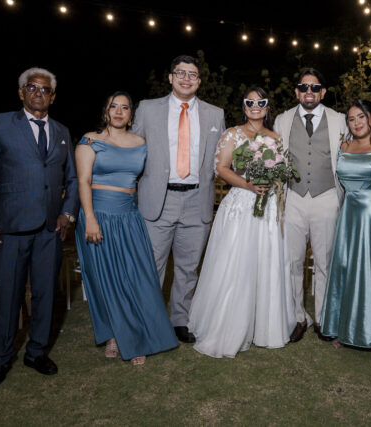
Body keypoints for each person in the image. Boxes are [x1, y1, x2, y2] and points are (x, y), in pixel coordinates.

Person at [0, 67, 79, 388]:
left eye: (45, 89)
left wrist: (67, 214)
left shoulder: (62, 131)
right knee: (8, 294)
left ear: (53, 96)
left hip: (50, 230)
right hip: (10, 228)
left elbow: (73, 179)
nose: (38, 93)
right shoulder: (0, 124)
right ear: (21, 93)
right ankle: (0, 359)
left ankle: (36, 352)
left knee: (46, 294)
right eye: (31, 87)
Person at [188, 87, 295, 357]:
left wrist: (274, 181)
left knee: (266, 261)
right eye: (250, 102)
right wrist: (248, 184)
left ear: (267, 107)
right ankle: (230, 324)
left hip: (269, 207)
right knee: (237, 263)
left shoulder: (276, 137)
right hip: (241, 204)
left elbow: (281, 170)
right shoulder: (232, 134)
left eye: (261, 102)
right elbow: (221, 168)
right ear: (244, 106)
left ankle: (264, 326)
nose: (255, 106)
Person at [74, 92, 178, 365]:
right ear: (105, 111)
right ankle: (114, 336)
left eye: (125, 107)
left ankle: (139, 334)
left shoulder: (140, 143)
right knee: (107, 279)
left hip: (130, 217)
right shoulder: (90, 140)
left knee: (135, 276)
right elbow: (83, 181)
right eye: (113, 107)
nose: (119, 112)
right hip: (99, 215)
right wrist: (90, 218)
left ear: (131, 114)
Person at [131, 55, 225, 343]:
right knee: (152, 266)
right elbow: (133, 150)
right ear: (170, 77)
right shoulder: (148, 109)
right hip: (158, 200)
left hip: (198, 199)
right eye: (180, 73)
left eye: (192, 74)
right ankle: (149, 322)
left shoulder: (215, 114)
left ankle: (180, 321)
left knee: (188, 267)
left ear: (199, 81)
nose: (186, 78)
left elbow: (222, 158)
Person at [273, 68, 348, 343]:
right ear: (296, 92)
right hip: (292, 197)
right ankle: (298, 317)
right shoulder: (282, 120)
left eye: (315, 87)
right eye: (304, 87)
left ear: (323, 92)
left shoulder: (339, 120)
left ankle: (323, 318)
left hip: (326, 196)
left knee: (325, 261)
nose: (309, 92)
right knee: (292, 261)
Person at [321, 100, 371, 349]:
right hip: (349, 216)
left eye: (361, 117)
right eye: (351, 119)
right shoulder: (344, 146)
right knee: (347, 268)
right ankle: (345, 329)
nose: (357, 123)